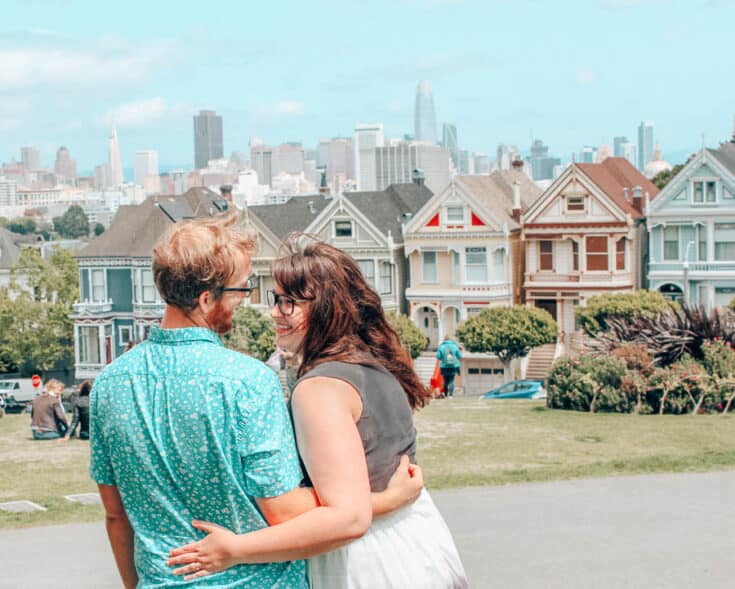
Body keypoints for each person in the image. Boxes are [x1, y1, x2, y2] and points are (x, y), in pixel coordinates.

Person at [90, 214, 419, 589]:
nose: (246, 303)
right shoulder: (247, 382)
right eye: (240, 291)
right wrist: (386, 499)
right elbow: (282, 510)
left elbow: (116, 516)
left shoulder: (109, 384)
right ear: (205, 299)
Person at [167, 234, 467, 588]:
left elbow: (345, 518)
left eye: (289, 302)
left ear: (326, 307)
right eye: (275, 299)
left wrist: (234, 550)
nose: (275, 312)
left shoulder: (318, 390)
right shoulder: (375, 367)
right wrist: (391, 499)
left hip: (364, 560)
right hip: (418, 541)